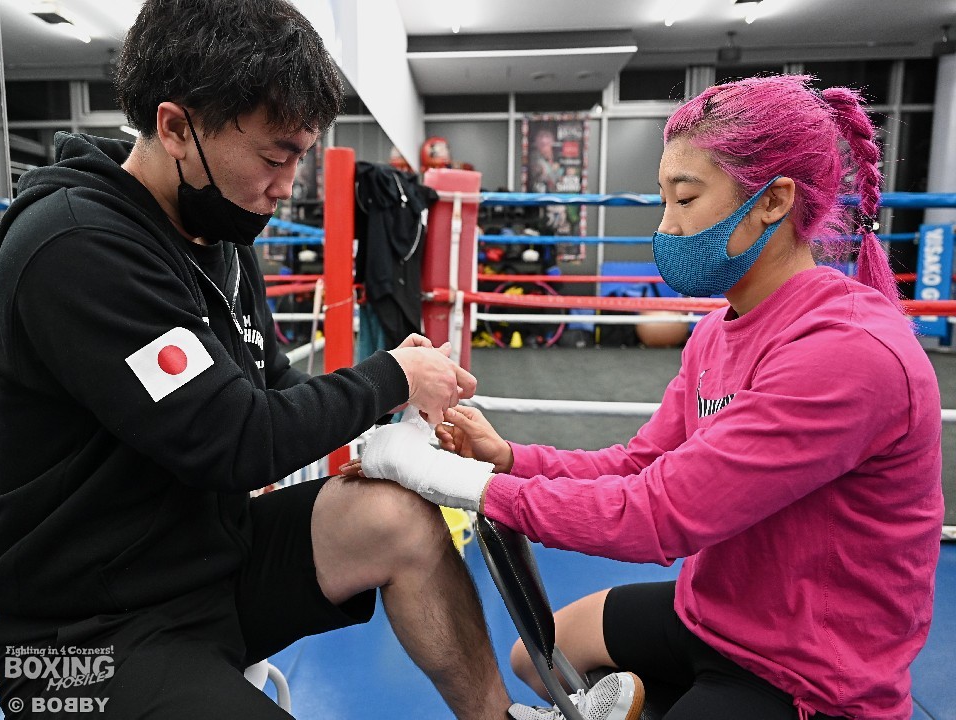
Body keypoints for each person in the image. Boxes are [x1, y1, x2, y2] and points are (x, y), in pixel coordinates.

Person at [0, 1, 639, 719]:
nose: (287, 184)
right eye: (275, 157)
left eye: (301, 155)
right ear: (175, 127)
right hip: (78, 632)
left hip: (205, 560)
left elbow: (272, 385)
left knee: (396, 516)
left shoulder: (217, 234)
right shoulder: (75, 247)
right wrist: (391, 375)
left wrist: (385, 429)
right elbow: (235, 439)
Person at [346, 75, 944, 720]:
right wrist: (510, 458)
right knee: (536, 655)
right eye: (663, 199)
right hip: (716, 616)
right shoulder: (717, 332)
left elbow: (656, 514)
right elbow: (642, 464)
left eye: (686, 198)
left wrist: (444, 478)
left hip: (809, 674)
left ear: (773, 201)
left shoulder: (846, 353)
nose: (667, 226)